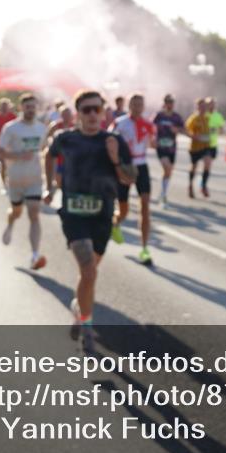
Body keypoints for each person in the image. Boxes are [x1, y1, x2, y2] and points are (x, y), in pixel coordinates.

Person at [44, 90, 132, 350]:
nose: (92, 114)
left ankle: (78, 307)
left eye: (96, 109)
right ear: (78, 114)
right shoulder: (65, 139)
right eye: (86, 110)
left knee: (89, 275)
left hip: (102, 215)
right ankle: (88, 327)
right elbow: (49, 156)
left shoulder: (114, 141)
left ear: (104, 112)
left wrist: (116, 159)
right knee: (89, 271)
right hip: (74, 214)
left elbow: (129, 178)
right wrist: (49, 187)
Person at [0, 93, 48, 270]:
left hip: (34, 179)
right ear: (21, 108)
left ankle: (34, 255)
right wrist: (18, 155)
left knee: (34, 213)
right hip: (16, 179)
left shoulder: (42, 128)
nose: (31, 109)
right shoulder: (11, 128)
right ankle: (10, 223)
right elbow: (0, 153)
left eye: (33, 106)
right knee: (17, 212)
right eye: (28, 106)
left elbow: (42, 151)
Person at [112, 94, 156, 266]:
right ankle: (115, 223)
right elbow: (110, 142)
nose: (137, 107)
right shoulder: (120, 123)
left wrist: (155, 142)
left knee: (145, 205)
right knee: (124, 210)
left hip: (142, 165)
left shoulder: (148, 124)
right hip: (125, 167)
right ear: (129, 105)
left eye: (140, 104)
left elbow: (153, 143)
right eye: (134, 104)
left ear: (144, 106)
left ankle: (144, 248)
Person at [152, 94, 187, 206]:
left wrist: (178, 130)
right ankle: (163, 193)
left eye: (171, 102)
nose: (169, 104)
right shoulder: (159, 116)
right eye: (167, 102)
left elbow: (183, 129)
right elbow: (150, 127)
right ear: (164, 103)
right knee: (167, 168)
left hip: (172, 148)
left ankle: (163, 192)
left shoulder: (176, 117)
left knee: (168, 171)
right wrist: (152, 139)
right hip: (161, 147)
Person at [185, 98, 213, 198]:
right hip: (195, 147)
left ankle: (203, 185)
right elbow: (186, 131)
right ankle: (190, 185)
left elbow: (212, 130)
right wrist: (194, 136)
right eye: (201, 107)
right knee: (194, 167)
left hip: (205, 146)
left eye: (204, 107)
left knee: (208, 163)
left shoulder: (208, 118)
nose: (203, 108)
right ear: (197, 107)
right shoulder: (193, 119)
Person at [46, 105, 76, 191]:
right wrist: (52, 142)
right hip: (58, 155)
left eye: (68, 114)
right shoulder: (55, 126)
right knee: (59, 178)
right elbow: (48, 137)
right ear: (61, 115)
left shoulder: (75, 126)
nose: (66, 116)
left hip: (70, 155)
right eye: (64, 114)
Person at [0, 98, 18, 189]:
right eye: (2, 106)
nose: (4, 108)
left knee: (13, 163)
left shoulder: (13, 116)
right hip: (1, 142)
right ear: (0, 107)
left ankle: (12, 180)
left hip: (12, 143)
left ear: (8, 106)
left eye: (6, 106)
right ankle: (4, 184)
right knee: (3, 164)